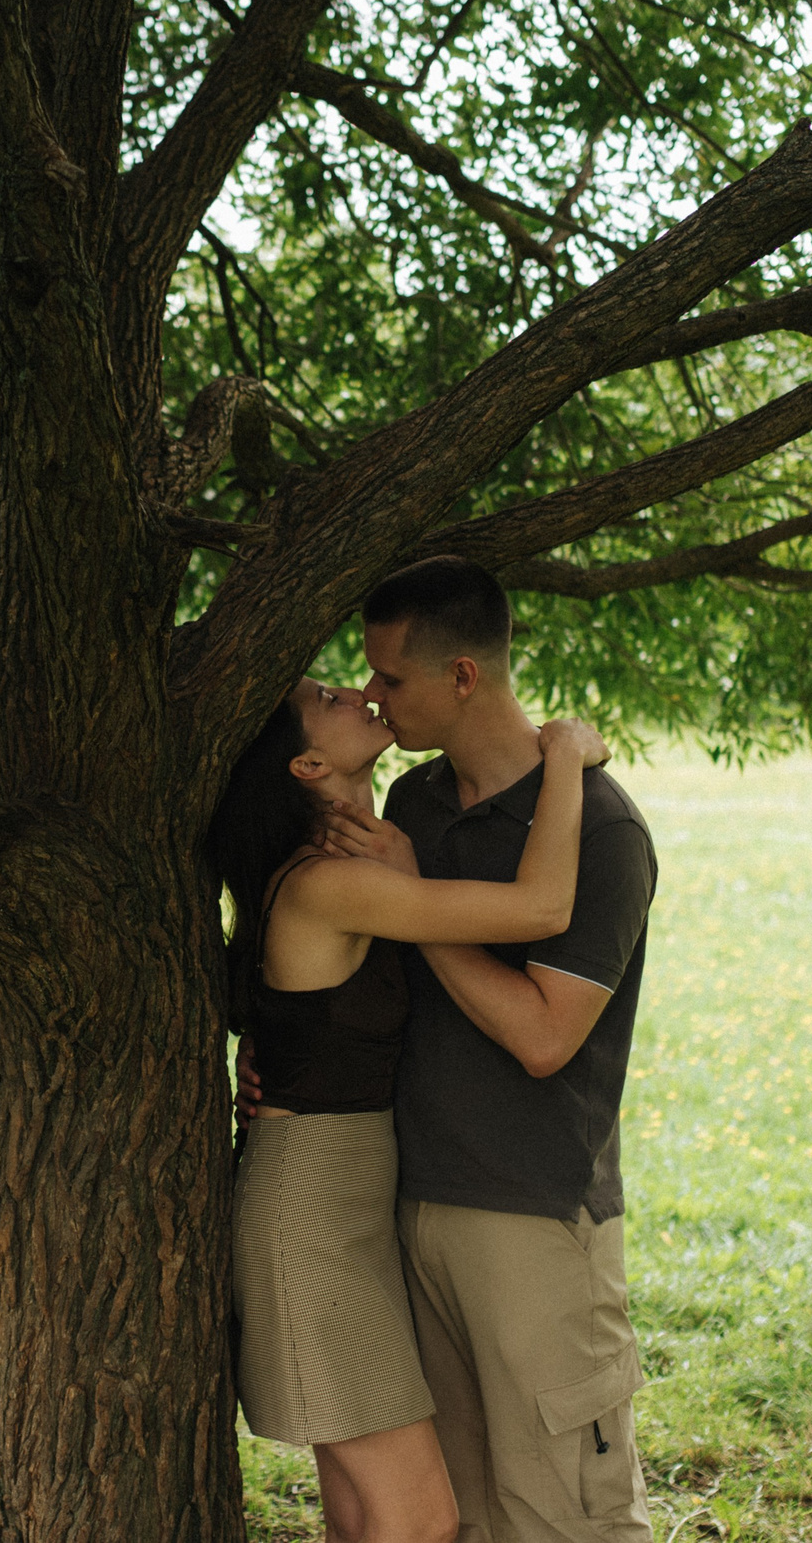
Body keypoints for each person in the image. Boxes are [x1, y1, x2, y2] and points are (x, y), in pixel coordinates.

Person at [211, 673, 609, 1543]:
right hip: (311, 1221)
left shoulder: (345, 869)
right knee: (421, 1518)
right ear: (308, 764)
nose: (359, 690)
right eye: (328, 697)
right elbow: (541, 907)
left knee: (365, 1517)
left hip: (337, 1208)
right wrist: (567, 757)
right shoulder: (325, 882)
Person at [324, 555, 662, 1543]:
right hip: (412, 1201)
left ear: (463, 675)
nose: (374, 697)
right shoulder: (415, 803)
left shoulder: (602, 827)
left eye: (391, 676)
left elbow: (545, 1033)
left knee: (565, 1517)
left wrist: (413, 902)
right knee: (464, 1519)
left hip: (533, 1217)